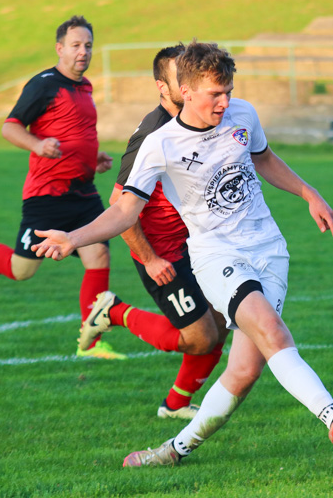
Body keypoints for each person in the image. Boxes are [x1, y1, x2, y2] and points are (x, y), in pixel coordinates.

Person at [32, 41, 333, 466]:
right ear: (186, 91)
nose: (225, 102)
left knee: (244, 371)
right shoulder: (161, 144)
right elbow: (124, 210)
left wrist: (308, 192)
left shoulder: (242, 114)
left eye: (228, 91)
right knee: (273, 332)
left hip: (270, 251)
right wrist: (73, 238)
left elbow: (263, 159)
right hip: (216, 256)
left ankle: (173, 451)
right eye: (215, 94)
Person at [0, 16, 124, 360]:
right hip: (46, 195)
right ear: (60, 48)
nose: (83, 52)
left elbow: (75, 133)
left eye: (89, 45)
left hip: (82, 191)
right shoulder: (44, 84)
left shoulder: (86, 87)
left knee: (99, 256)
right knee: (23, 270)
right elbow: (10, 127)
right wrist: (37, 146)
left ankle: (90, 344)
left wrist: (93, 159)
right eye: (76, 45)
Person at [80, 43, 231, 419]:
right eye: (180, 78)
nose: (188, 83)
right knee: (199, 338)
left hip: (198, 246)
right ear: (164, 87)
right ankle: (112, 311)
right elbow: (120, 203)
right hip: (164, 252)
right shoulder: (152, 134)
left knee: (222, 322)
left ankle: (175, 405)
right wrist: (149, 258)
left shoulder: (194, 122)